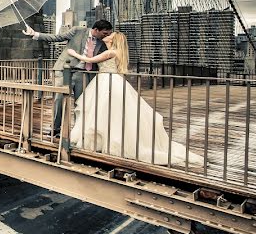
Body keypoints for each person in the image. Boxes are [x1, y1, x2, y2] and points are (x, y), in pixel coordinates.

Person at [67, 32, 200, 165]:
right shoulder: (117, 52)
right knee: (110, 114)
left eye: (110, 35)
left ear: (113, 40)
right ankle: (105, 141)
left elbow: (90, 60)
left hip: (106, 81)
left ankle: (105, 142)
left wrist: (73, 53)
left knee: (103, 112)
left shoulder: (111, 53)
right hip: (112, 81)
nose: (106, 36)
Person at [23, 19, 113, 137]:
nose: (106, 36)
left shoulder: (104, 42)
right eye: (105, 33)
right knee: (59, 99)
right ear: (96, 30)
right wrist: (35, 34)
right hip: (64, 70)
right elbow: (57, 37)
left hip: (84, 73)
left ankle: (78, 131)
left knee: (81, 103)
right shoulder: (77, 31)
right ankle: (55, 127)